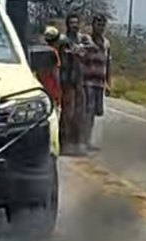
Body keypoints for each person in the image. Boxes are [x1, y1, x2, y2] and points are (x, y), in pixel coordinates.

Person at [79, 14, 112, 151]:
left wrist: (108, 83)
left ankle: (87, 140)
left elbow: (108, 63)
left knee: (94, 113)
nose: (100, 27)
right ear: (93, 25)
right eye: (98, 24)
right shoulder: (86, 39)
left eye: (102, 25)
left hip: (99, 82)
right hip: (87, 81)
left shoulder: (106, 43)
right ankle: (82, 141)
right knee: (87, 111)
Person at [58, 13, 86, 155]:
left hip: (79, 78)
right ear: (67, 24)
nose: (74, 25)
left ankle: (76, 143)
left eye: (76, 23)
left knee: (79, 113)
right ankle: (63, 142)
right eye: (72, 23)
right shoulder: (63, 40)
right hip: (66, 79)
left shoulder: (82, 39)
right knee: (67, 112)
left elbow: (87, 50)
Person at [36, 26, 63, 109]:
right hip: (52, 90)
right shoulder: (53, 52)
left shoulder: (40, 51)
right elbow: (55, 74)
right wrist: (60, 91)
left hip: (41, 90)